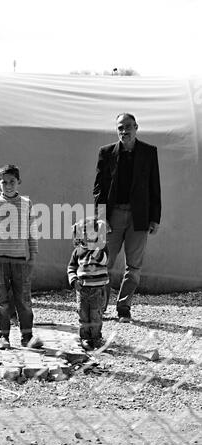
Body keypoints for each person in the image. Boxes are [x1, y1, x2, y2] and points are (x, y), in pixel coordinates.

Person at [93, 113, 161, 322]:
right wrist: (101, 217)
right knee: (104, 263)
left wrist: (155, 218)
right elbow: (98, 189)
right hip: (112, 216)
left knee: (134, 266)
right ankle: (99, 308)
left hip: (138, 217)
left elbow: (154, 186)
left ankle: (124, 308)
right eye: (120, 128)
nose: (124, 131)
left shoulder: (149, 152)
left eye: (128, 127)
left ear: (136, 127)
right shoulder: (106, 153)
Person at [0, 164, 38, 349]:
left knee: (23, 299)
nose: (8, 185)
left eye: (12, 182)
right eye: (4, 182)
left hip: (21, 259)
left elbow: (32, 230)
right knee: (2, 300)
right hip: (0, 259)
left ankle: (27, 336)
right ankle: (3, 337)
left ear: (19, 182)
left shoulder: (26, 203)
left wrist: (33, 255)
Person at [67, 217, 109, 351]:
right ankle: (85, 337)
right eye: (84, 232)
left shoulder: (101, 248)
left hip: (98, 289)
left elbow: (104, 261)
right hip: (83, 289)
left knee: (96, 314)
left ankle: (96, 337)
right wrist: (73, 280)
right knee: (83, 315)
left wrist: (95, 249)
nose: (87, 236)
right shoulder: (78, 251)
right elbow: (71, 268)